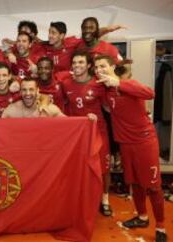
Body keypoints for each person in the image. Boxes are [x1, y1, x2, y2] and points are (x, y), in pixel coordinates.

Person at [94, 55, 167, 242]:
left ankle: (161, 227)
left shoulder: (128, 84)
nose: (99, 69)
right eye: (96, 67)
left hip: (144, 142)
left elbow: (150, 93)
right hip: (125, 144)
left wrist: (118, 82)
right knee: (134, 182)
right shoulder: (104, 91)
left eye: (103, 65)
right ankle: (142, 217)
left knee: (153, 186)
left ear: (112, 67)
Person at [60, 50, 112, 215]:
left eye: (81, 62)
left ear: (89, 65)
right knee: (80, 168)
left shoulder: (99, 83)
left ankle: (105, 199)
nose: (77, 66)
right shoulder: (66, 84)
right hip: (78, 135)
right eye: (74, 63)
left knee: (103, 168)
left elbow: (108, 108)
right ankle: (83, 198)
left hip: (98, 131)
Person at [44, 21, 125, 72]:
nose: (49, 35)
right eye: (49, 32)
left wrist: (108, 29)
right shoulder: (46, 48)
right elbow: (39, 42)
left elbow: (91, 35)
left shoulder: (71, 42)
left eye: (53, 33)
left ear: (61, 35)